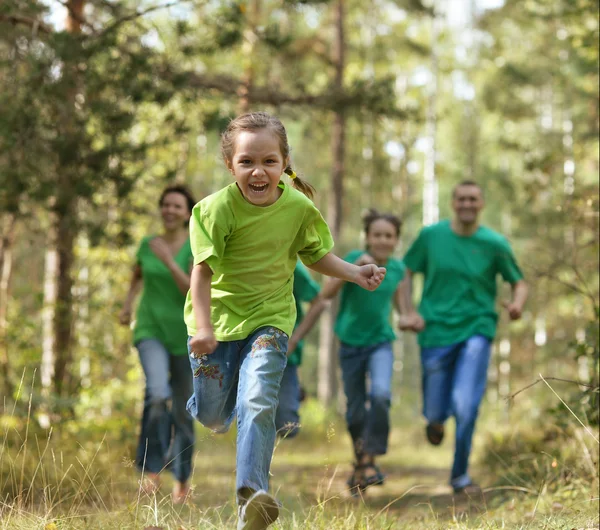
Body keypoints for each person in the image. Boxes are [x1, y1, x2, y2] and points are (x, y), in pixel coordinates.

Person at [183, 111, 386, 530]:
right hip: (215, 324)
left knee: (258, 402)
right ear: (230, 165)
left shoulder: (297, 208)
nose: (258, 172)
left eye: (269, 161)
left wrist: (354, 272)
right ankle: (206, 402)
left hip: (271, 321)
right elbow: (200, 274)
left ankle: (250, 498)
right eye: (246, 162)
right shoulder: (215, 210)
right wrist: (204, 329)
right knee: (214, 416)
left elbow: (315, 255)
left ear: (283, 162)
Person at [397, 180, 528, 493]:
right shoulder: (431, 237)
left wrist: (518, 306)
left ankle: (459, 475)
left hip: (477, 328)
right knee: (437, 410)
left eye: (473, 199)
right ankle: (435, 419)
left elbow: (519, 282)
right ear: (453, 203)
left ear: (481, 204)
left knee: (467, 404)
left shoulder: (494, 243)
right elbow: (404, 270)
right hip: (435, 330)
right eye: (461, 199)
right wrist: (408, 311)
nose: (467, 204)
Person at [315, 209, 406, 493]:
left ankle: (369, 460)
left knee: (380, 394)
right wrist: (354, 269)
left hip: (381, 342)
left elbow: (404, 308)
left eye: (388, 236)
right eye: (377, 234)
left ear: (395, 240)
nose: (382, 240)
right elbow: (327, 293)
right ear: (367, 237)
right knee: (354, 410)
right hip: (351, 343)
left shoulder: (398, 269)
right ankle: (361, 464)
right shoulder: (354, 258)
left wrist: (409, 318)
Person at [119, 184, 197, 504]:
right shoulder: (146, 244)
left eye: (177, 206)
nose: (170, 210)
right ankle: (150, 472)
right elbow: (137, 276)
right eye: (165, 205)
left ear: (188, 213)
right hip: (149, 329)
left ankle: (182, 478)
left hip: (185, 335)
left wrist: (169, 261)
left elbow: (191, 291)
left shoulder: (195, 246)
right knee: (157, 394)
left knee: (184, 410)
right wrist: (127, 304)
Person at [275, 260, 329, 439]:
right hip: (244, 349)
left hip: (284, 353)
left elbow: (319, 302)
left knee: (287, 426)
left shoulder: (289, 263)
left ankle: (294, 393)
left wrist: (295, 339)